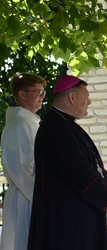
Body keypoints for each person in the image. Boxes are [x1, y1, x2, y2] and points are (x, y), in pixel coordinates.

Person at [27, 75, 107, 250]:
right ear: (72, 97)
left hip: (77, 215)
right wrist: (104, 193)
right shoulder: (55, 127)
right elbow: (77, 170)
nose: (90, 102)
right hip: (67, 219)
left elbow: (92, 161)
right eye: (86, 97)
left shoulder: (66, 124)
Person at [0, 73, 47, 250]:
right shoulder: (20, 124)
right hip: (27, 196)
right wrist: (44, 198)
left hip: (28, 194)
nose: (42, 97)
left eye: (44, 92)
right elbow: (24, 168)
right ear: (22, 94)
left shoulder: (29, 123)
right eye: (38, 92)